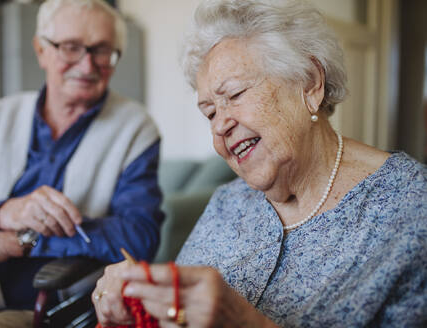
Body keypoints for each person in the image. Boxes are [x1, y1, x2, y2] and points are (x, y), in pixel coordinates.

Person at [92, 0, 427, 327]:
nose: (220, 124)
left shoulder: (411, 206)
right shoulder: (226, 203)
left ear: (309, 83)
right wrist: (143, 304)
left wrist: (245, 322)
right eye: (209, 112)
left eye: (235, 95)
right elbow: (178, 317)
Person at [0, 0, 164, 324]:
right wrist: (3, 213)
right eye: (70, 47)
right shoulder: (1, 116)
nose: (87, 66)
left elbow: (139, 238)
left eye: (101, 51)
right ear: (41, 50)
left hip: (46, 305)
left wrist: (20, 241)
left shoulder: (135, 128)